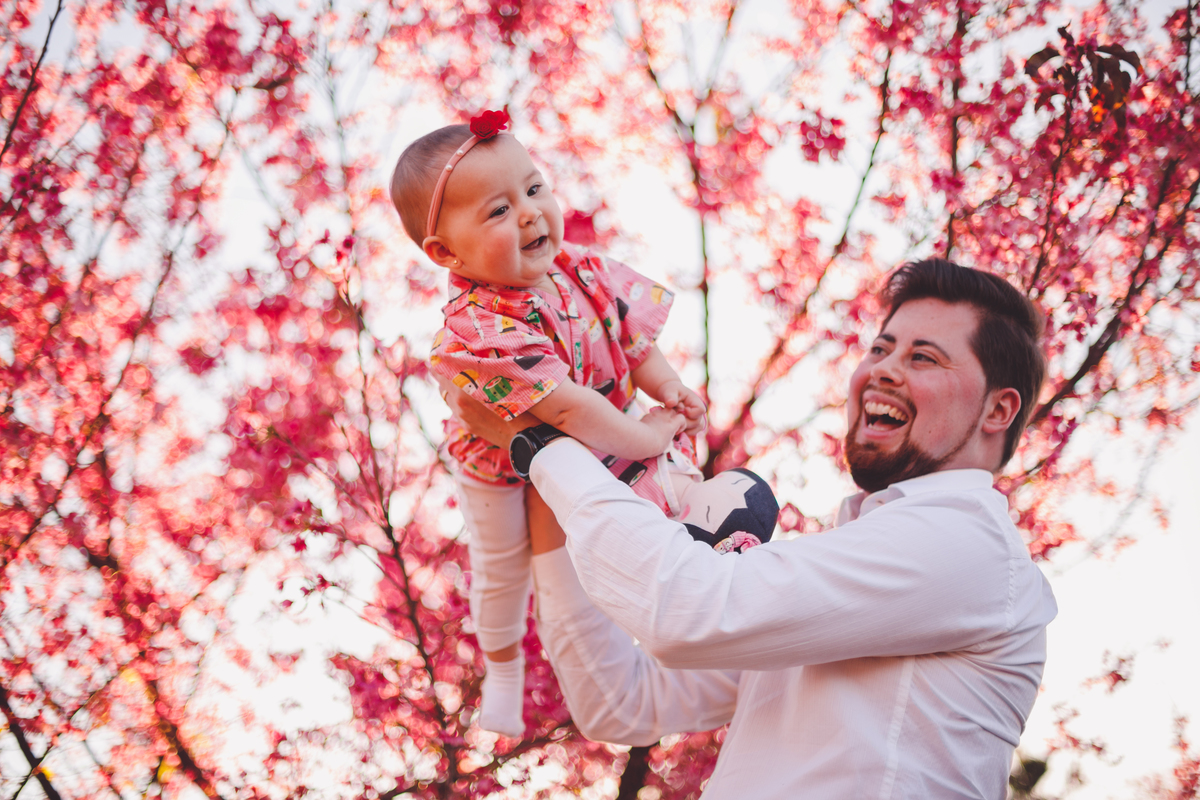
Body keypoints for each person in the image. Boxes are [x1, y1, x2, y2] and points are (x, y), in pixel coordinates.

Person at [445, 258, 1059, 798]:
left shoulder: (965, 545)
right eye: (880, 348)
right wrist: (551, 492)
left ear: (999, 410)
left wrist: (540, 445)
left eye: (922, 356)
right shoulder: (858, 574)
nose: (882, 370)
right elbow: (624, 702)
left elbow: (686, 607)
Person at [390, 110, 778, 736]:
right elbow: (568, 408)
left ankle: (707, 525)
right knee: (501, 570)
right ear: (445, 252)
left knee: (652, 475)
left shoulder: (581, 271)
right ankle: (503, 663)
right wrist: (651, 432)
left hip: (593, 435)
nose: (529, 213)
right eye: (496, 211)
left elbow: (635, 342)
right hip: (501, 466)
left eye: (534, 188)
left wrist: (669, 387)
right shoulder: (482, 326)